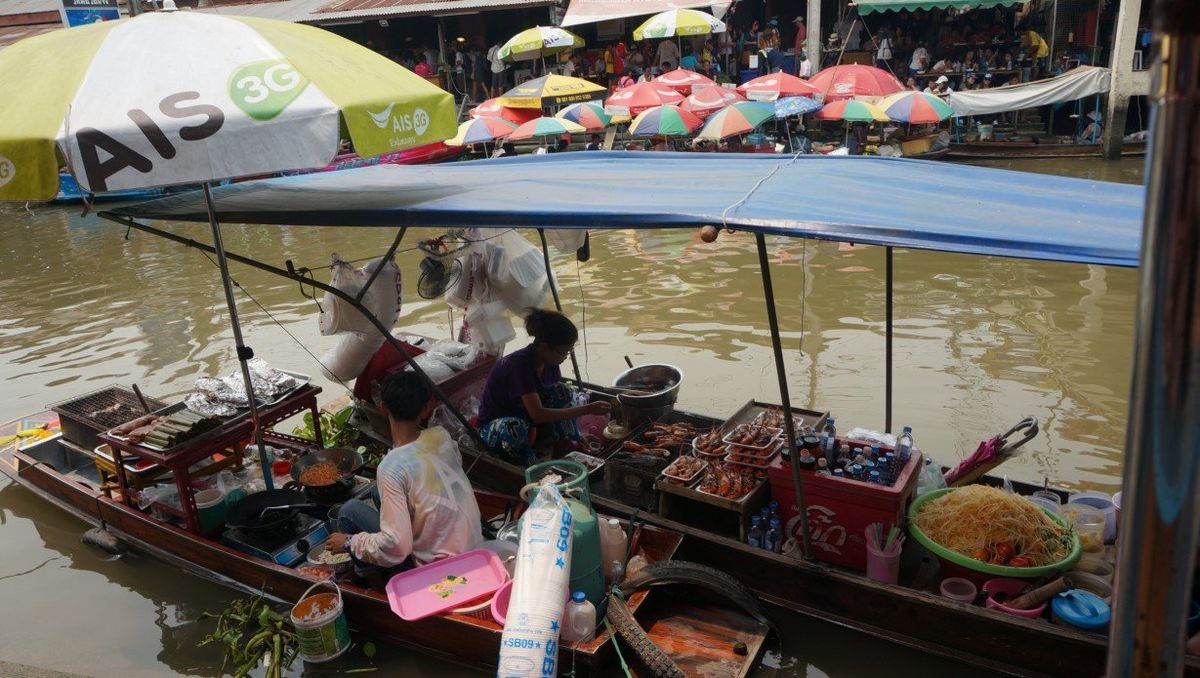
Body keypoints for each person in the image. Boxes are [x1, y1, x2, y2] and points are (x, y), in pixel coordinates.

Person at [327, 371, 483, 574]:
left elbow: (397, 547)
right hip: (473, 545)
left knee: (349, 510)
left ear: (383, 408)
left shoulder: (391, 468)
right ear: (426, 408)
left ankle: (377, 583)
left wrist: (349, 542)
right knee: (376, 492)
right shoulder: (441, 436)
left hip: (438, 569)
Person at [477, 309, 609, 463]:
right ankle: (528, 465)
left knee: (563, 391)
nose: (565, 357)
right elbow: (537, 414)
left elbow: (557, 402)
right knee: (514, 427)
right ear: (545, 347)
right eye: (563, 352)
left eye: (569, 351)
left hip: (526, 417)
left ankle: (566, 441)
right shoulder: (519, 366)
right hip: (499, 426)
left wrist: (577, 433)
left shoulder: (549, 361)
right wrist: (588, 408)